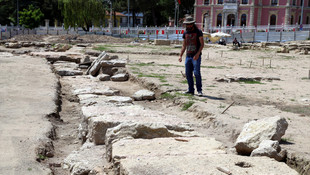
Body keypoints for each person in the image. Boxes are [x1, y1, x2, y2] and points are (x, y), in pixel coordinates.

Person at [179, 15, 204, 96]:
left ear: (193, 24)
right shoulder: (185, 33)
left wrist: (197, 54)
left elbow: (202, 44)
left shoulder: (198, 32)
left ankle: (199, 90)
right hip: (188, 56)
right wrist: (180, 55)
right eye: (187, 24)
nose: (188, 26)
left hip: (196, 56)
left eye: (190, 24)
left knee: (196, 73)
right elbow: (184, 45)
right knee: (188, 73)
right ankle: (190, 90)